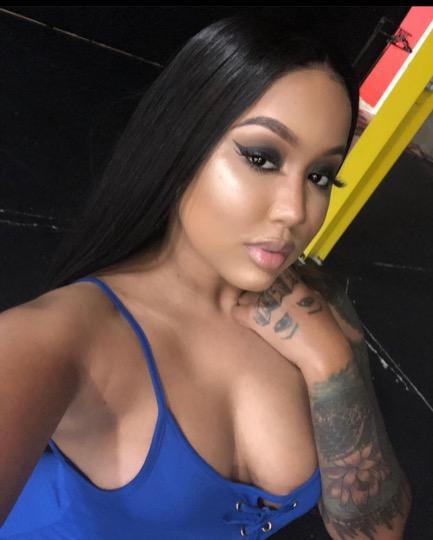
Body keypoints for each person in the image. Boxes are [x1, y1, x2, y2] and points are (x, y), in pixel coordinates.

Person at [0, 13, 411, 540]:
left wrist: (331, 363)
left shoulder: (318, 304)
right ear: (181, 146)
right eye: (262, 158)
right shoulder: (58, 339)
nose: (296, 210)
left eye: (320, 175)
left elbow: (376, 531)